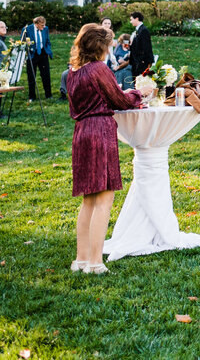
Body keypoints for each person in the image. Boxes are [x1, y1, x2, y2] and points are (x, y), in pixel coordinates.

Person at [65, 23, 142, 274]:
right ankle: (96, 262)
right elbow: (119, 100)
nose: (110, 50)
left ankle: (81, 259)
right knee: (104, 199)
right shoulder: (98, 69)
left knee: (88, 200)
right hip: (100, 131)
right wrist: (138, 93)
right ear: (100, 46)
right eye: (108, 46)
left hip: (82, 133)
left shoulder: (74, 71)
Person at [22, 16, 55, 102]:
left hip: (43, 54)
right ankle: (32, 96)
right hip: (32, 55)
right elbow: (22, 42)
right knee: (31, 76)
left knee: (46, 75)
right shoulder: (27, 29)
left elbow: (47, 41)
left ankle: (48, 95)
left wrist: (48, 50)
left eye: (44, 25)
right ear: (36, 24)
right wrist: (27, 45)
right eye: (42, 25)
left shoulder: (45, 29)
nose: (44, 27)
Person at [127, 11, 153, 79]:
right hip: (136, 61)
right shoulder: (138, 30)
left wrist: (143, 61)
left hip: (141, 63)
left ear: (136, 19)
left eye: (131, 19)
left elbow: (146, 47)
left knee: (140, 80)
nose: (131, 21)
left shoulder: (143, 30)